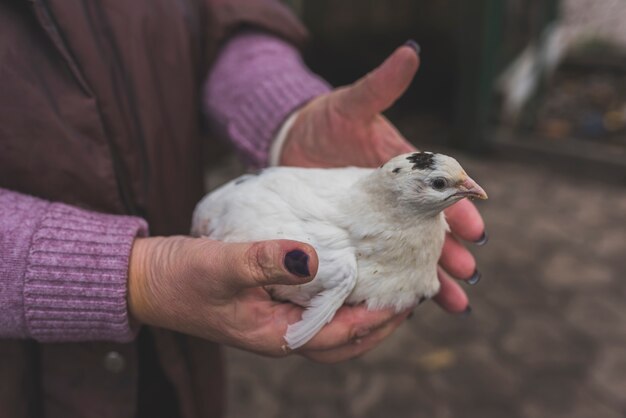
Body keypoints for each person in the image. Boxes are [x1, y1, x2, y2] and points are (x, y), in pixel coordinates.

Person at [0, 0, 486, 417]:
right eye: (446, 184)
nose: (469, 188)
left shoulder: (363, 185)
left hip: (177, 355)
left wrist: (286, 119)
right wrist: (137, 274)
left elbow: (220, 14)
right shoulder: (332, 259)